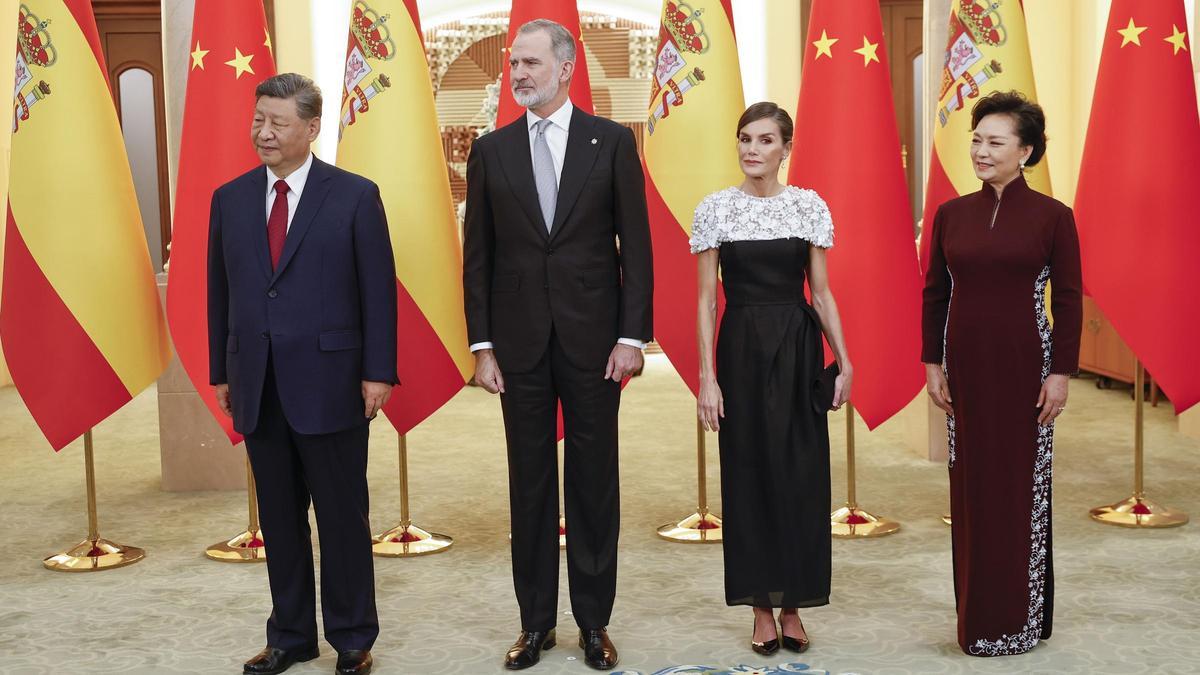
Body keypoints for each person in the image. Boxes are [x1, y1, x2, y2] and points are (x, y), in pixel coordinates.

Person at [462, 18, 653, 672]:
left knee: (594, 484)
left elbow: (638, 247)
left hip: (597, 341)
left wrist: (633, 335)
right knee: (531, 483)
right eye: (513, 64)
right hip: (517, 346)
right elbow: (478, 259)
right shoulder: (491, 151)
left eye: (531, 64)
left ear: (565, 68)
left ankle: (593, 622)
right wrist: (481, 345)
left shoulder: (613, 143)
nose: (517, 74)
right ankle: (535, 622)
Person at [208, 73, 397, 675]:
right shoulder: (230, 198)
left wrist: (378, 373)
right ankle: (290, 636)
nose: (264, 132)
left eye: (278, 123)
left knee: (342, 516)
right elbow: (222, 292)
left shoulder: (354, 196)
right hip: (257, 382)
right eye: (259, 119)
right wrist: (222, 368)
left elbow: (378, 293)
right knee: (280, 521)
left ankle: (351, 637)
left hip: (333, 383)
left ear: (311, 129)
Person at [921, 90, 1081, 656]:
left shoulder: (1053, 218)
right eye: (976, 140)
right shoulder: (950, 214)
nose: (981, 151)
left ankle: (1022, 619)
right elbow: (935, 294)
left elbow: (1068, 299)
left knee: (1019, 490)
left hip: (1025, 370)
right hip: (964, 369)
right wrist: (932, 364)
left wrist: (1060, 373)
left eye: (995, 142)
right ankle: (977, 619)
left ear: (1026, 151)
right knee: (971, 490)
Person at [692, 102, 852, 656]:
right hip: (740, 351)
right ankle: (760, 607)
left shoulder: (809, 207)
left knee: (801, 474)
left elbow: (823, 291)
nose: (752, 149)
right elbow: (708, 301)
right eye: (744, 139)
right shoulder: (715, 210)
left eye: (764, 140)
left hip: (799, 348)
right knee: (748, 473)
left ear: (786, 148)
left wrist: (845, 360)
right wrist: (707, 379)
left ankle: (793, 607)